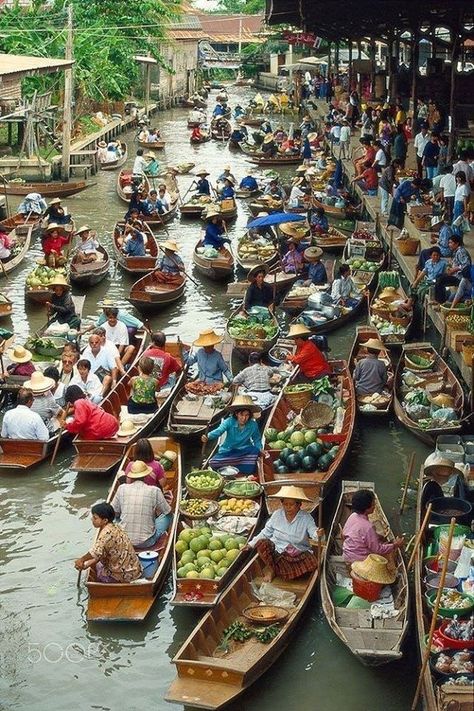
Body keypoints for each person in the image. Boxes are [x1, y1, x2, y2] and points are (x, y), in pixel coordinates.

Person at [247, 485, 319, 582]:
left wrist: (318, 534)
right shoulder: (277, 515)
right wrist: (250, 544)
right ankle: (273, 569)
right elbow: (265, 533)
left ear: (299, 505)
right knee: (262, 544)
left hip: (297, 553)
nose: (288, 508)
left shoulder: (306, 518)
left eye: (291, 505)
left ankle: (282, 570)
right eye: (285, 504)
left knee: (312, 564)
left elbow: (313, 532)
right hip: (278, 552)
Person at [74, 502, 142, 584]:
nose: (92, 520)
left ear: (105, 520)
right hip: (135, 570)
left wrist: (81, 559)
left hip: (124, 575)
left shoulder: (106, 533)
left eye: (95, 518)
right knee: (98, 562)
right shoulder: (116, 526)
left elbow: (95, 552)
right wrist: (87, 564)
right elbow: (99, 553)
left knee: (99, 569)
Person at [111, 461, 171, 547]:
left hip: (124, 540)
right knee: (169, 516)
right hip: (147, 542)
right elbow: (167, 511)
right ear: (146, 476)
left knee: (114, 517)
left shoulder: (122, 488)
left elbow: (114, 512)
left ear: (131, 476)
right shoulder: (155, 490)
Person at [342, 489, 404, 566]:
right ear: (367, 508)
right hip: (360, 560)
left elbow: (344, 534)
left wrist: (376, 536)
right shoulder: (368, 527)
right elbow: (378, 550)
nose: (374, 506)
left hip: (347, 555)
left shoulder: (352, 516)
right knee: (387, 557)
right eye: (373, 504)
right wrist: (395, 545)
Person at [203, 395, 262, 475]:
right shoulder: (229, 421)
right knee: (213, 462)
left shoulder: (253, 424)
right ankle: (236, 464)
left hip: (244, 451)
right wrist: (208, 436)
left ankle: (234, 464)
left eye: (247, 415)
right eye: (241, 415)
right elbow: (219, 431)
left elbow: (257, 439)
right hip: (228, 450)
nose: (244, 418)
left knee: (254, 450)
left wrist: (260, 450)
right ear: (237, 414)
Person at [434, 234, 472, 303]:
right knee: (438, 276)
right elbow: (456, 263)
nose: (449, 245)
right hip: (455, 275)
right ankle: (440, 299)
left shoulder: (461, 252)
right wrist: (450, 267)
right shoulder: (456, 251)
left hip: (460, 278)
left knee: (441, 280)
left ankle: (440, 301)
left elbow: (466, 265)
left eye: (451, 243)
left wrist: (454, 269)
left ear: (457, 243)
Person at [452, 170, 471, 238]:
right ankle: (457, 239)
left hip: (460, 205)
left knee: (458, 224)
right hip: (457, 204)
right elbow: (456, 197)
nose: (458, 179)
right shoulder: (458, 185)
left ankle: (458, 240)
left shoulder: (464, 187)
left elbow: (465, 199)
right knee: (455, 223)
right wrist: (454, 207)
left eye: (459, 177)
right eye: (457, 177)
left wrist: (465, 210)